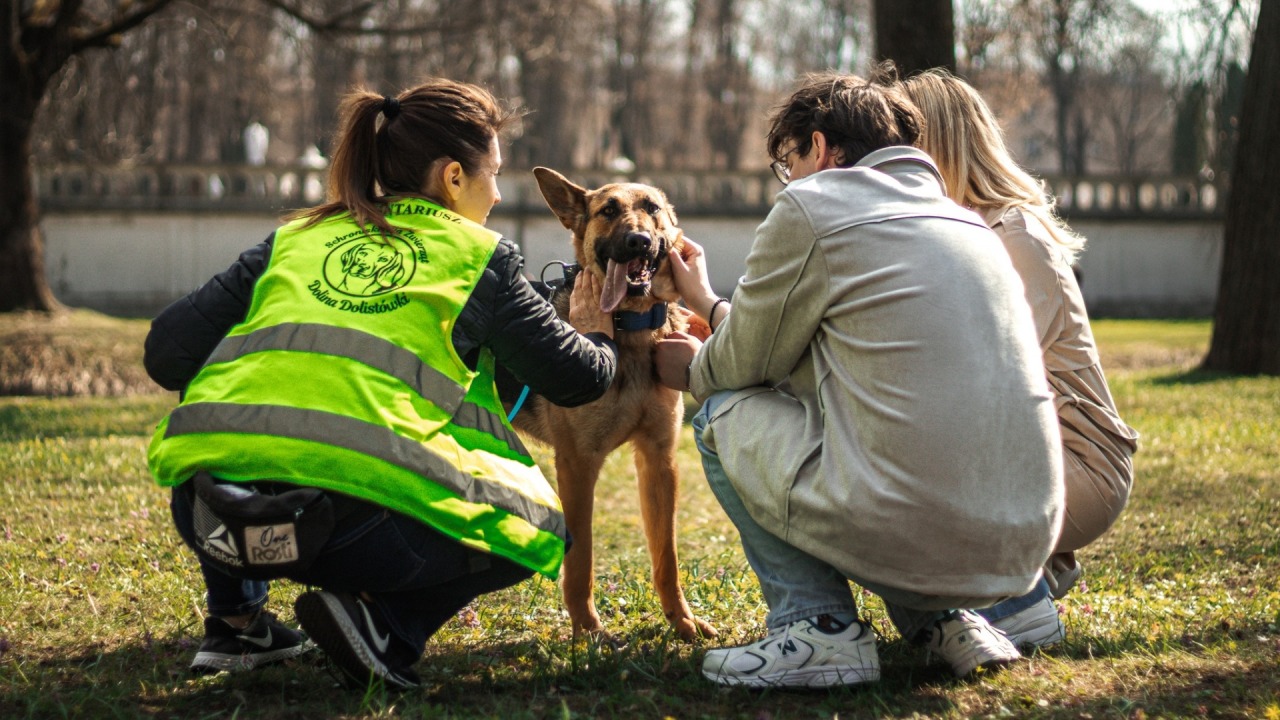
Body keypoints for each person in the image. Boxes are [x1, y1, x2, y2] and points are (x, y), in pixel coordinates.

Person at [144, 79, 617, 690]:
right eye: (494, 174)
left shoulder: (295, 238)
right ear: (453, 177)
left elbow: (168, 354)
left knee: (227, 407)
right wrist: (594, 327)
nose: (498, 194)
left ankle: (236, 622)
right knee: (538, 528)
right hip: (346, 536)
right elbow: (578, 379)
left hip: (214, 518)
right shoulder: (480, 258)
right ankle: (384, 626)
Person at [652, 69, 1064, 688]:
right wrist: (710, 303)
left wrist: (692, 369)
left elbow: (742, 367)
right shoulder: (967, 224)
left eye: (788, 164)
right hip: (1021, 542)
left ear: (820, 147)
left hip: (911, 525)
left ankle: (816, 628)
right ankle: (948, 623)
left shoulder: (813, 204)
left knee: (721, 410)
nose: (789, 180)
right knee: (888, 432)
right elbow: (801, 348)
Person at [899, 69, 1139, 649]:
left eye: (902, 144)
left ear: (936, 146)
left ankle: (1017, 599)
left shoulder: (1014, 236)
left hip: (1080, 465)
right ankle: (1014, 579)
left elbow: (991, 378)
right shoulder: (962, 232)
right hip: (1028, 456)